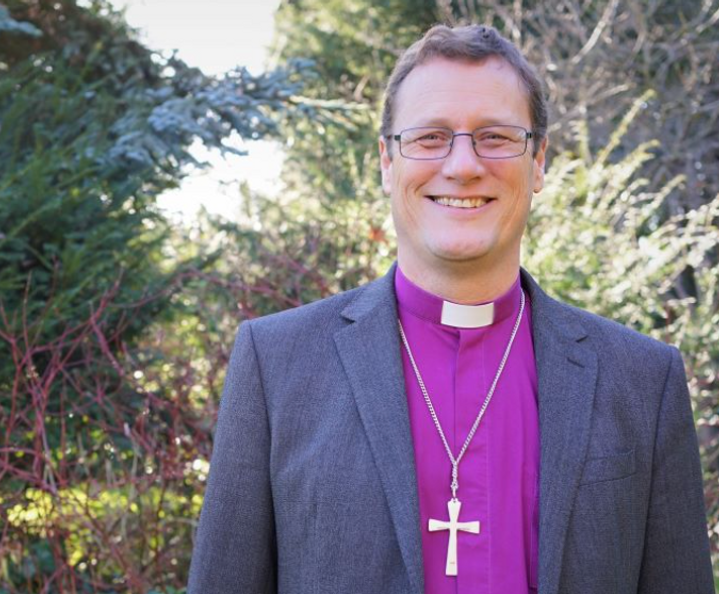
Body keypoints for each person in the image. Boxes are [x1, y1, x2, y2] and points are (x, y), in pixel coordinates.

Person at [186, 23, 714, 594]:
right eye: (431, 137)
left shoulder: (641, 379)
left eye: (495, 136)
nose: (463, 165)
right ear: (386, 161)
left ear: (538, 162)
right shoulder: (276, 365)